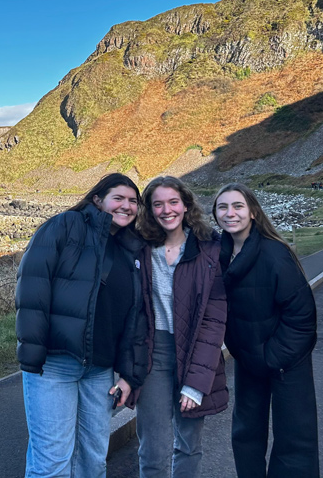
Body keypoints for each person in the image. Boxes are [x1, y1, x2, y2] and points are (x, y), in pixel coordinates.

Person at [15, 173, 149, 477]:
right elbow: (32, 288)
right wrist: (34, 354)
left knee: (92, 460)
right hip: (55, 364)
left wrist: (129, 374)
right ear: (97, 199)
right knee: (52, 462)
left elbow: (135, 318)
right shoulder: (65, 226)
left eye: (133, 201)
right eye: (119, 198)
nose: (126, 206)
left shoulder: (131, 249)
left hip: (99, 371)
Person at [213, 183, 319, 477]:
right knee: (246, 434)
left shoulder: (275, 254)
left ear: (253, 213)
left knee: (294, 440)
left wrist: (272, 357)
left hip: (285, 360)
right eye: (222, 207)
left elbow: (302, 317)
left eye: (237, 206)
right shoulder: (218, 256)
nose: (230, 213)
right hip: (248, 359)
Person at [134, 176, 228, 478]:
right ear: (149, 209)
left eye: (173, 202)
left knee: (188, 444)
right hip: (154, 354)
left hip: (195, 350)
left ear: (186, 205)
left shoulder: (209, 250)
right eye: (157, 204)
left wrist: (197, 383)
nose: (166, 210)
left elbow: (214, 320)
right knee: (153, 448)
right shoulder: (138, 249)